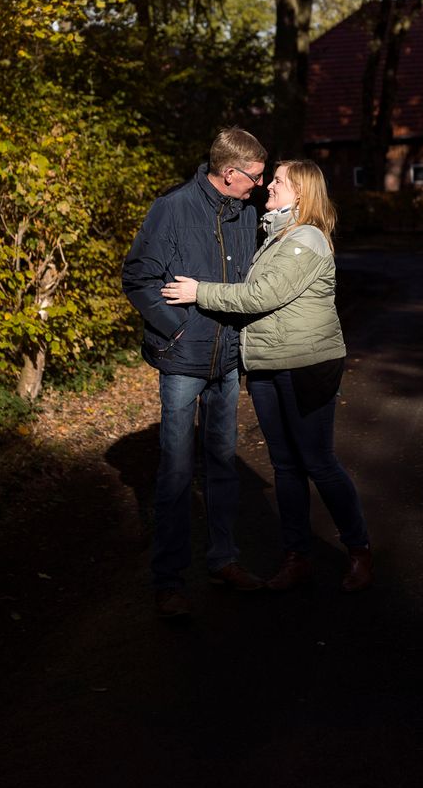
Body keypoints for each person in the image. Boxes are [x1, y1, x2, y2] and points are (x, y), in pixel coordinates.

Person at [161, 159, 372, 594]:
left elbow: (262, 295)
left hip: (305, 366)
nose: (268, 187)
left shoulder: (306, 238)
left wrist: (198, 291)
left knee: (318, 462)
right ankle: (297, 556)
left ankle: (358, 550)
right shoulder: (276, 235)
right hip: (267, 366)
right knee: (286, 466)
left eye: (277, 181)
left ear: (302, 193)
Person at [122, 127, 268, 618]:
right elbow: (138, 277)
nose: (259, 186)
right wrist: (177, 329)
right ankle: (169, 582)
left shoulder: (246, 213)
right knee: (177, 471)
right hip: (183, 360)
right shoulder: (172, 209)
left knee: (223, 465)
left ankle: (224, 560)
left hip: (227, 362)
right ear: (229, 173)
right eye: (254, 177)